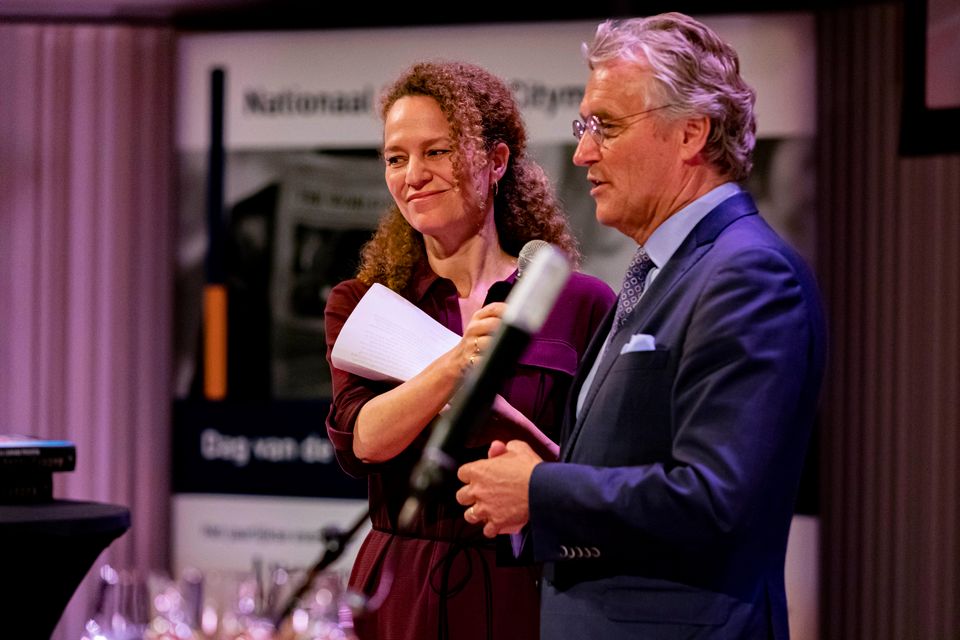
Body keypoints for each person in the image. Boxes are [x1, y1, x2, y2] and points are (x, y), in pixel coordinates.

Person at [456, 13, 827, 640]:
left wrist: (541, 491)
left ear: (690, 133)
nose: (583, 153)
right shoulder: (660, 269)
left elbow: (715, 499)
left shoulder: (749, 273)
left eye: (606, 126)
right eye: (583, 127)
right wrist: (545, 473)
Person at [323, 61, 616, 640]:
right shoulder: (362, 301)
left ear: (496, 161)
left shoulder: (579, 302)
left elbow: (603, 463)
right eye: (396, 158)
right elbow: (363, 441)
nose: (413, 175)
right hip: (402, 584)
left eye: (436, 152)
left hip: (528, 580)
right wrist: (456, 364)